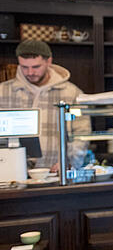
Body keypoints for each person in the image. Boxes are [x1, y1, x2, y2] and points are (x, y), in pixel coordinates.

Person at [0, 40, 88, 171]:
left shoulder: (71, 93)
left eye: (36, 67)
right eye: (24, 67)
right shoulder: (3, 91)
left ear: (49, 61)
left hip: (57, 172)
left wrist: (69, 163)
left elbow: (82, 134)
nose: (30, 72)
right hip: (11, 172)